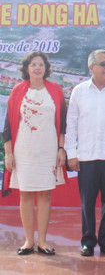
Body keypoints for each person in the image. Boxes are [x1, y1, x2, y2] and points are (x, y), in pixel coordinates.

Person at [64, 49, 105, 257]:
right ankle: (87, 242)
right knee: (87, 203)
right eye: (103, 64)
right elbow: (71, 124)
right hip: (87, 156)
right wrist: (71, 153)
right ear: (91, 67)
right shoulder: (79, 91)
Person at [2, 51, 67, 255]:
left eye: (41, 64)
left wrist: (61, 148)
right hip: (24, 150)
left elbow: (62, 123)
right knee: (26, 193)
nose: (37, 68)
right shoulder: (18, 91)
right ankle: (29, 241)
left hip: (48, 149)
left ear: (46, 68)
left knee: (45, 193)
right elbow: (7, 126)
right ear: (27, 68)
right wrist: (8, 153)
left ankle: (43, 241)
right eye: (33, 64)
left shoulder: (55, 90)